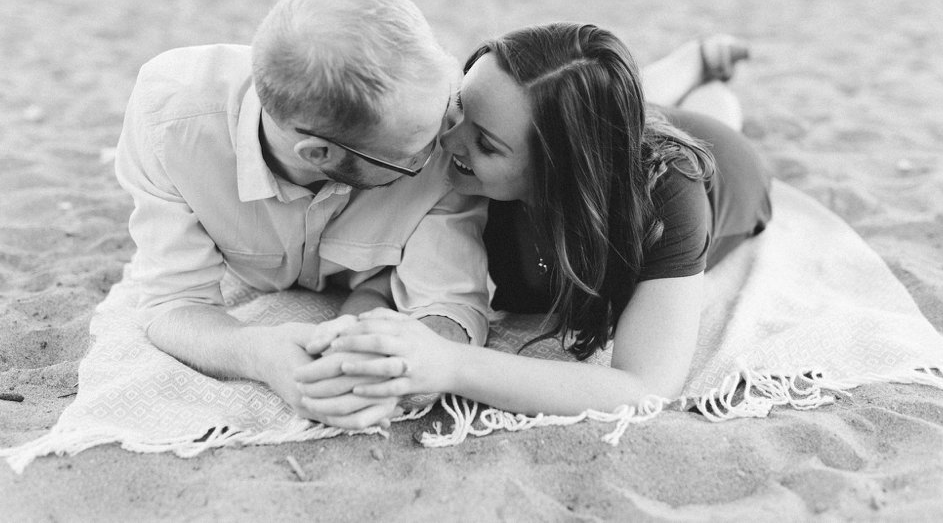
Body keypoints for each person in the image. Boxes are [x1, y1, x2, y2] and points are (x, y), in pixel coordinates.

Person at [297, 23, 771, 418]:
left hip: (725, 166)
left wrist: (448, 363)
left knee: (714, 114)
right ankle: (692, 59)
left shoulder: (668, 195)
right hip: (593, 130)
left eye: (485, 143)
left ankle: (708, 74)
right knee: (609, 103)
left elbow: (644, 386)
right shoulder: (478, 158)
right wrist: (352, 336)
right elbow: (387, 274)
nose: (447, 142)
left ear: (557, 171)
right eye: (458, 107)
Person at [114, 0, 491, 430]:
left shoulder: (438, 127)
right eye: (415, 155)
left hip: (375, 292)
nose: (448, 146)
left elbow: (447, 306)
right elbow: (173, 302)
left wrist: (386, 375)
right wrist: (261, 356)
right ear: (319, 155)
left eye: (448, 105)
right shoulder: (170, 124)